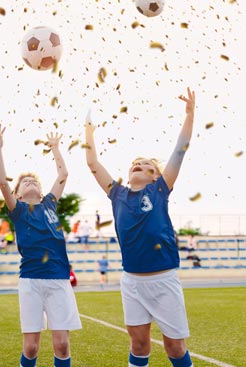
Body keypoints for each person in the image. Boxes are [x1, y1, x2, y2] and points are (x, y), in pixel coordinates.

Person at [84, 88, 196, 367]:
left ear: (156, 176)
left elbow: (180, 149)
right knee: (139, 343)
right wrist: (89, 133)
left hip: (164, 279)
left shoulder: (160, 190)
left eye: (146, 164)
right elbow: (92, 162)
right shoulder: (117, 193)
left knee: (174, 347)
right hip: (132, 281)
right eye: (135, 163)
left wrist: (190, 115)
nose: (138, 165)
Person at [0, 125, 82, 367]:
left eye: (34, 180)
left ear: (42, 193)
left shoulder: (49, 205)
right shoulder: (19, 210)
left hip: (58, 278)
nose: (30, 181)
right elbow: (1, 181)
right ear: (18, 195)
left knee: (62, 345)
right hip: (31, 280)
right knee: (31, 348)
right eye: (25, 182)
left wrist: (55, 149)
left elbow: (63, 175)